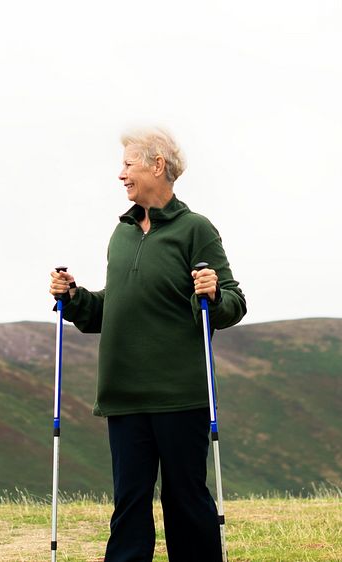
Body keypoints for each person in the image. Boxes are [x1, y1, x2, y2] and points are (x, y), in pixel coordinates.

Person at [49, 127, 246, 562]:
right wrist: (75, 298)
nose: (121, 175)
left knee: (186, 502)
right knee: (129, 506)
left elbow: (233, 302)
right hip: (123, 396)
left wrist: (213, 292)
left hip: (180, 397)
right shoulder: (120, 233)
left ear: (157, 165)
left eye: (127, 164)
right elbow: (112, 308)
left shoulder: (195, 230)